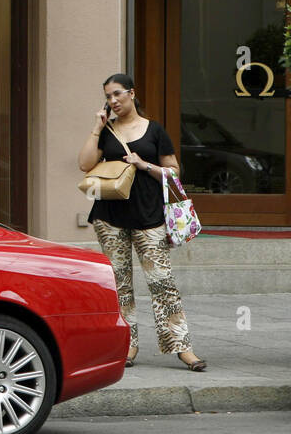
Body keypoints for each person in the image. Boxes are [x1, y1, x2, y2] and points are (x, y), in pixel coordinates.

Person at [78, 72, 206, 372]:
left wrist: (143, 164)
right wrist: (97, 127)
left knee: (163, 283)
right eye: (108, 96)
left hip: (150, 217)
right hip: (109, 218)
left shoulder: (155, 130)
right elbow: (84, 164)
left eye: (118, 94)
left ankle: (182, 346)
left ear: (132, 94)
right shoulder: (107, 131)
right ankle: (127, 345)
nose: (113, 101)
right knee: (119, 286)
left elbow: (173, 171)